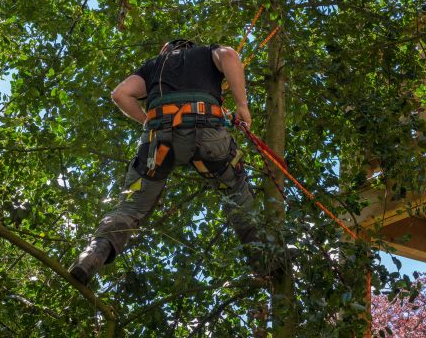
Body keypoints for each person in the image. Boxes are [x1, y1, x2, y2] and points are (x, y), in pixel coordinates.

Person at [69, 39, 281, 285]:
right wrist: (242, 107)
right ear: (189, 47)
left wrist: (151, 122)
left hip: (158, 142)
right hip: (208, 135)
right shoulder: (206, 53)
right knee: (236, 191)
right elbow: (231, 56)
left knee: (130, 207)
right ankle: (266, 262)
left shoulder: (153, 66)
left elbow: (120, 95)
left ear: (165, 51)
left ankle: (95, 252)